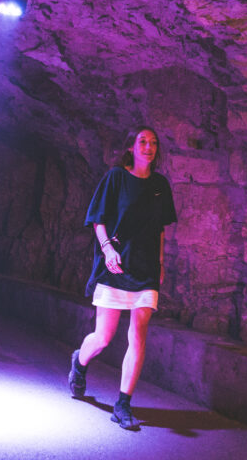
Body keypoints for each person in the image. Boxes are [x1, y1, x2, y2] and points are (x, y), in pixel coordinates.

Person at [68, 126, 177, 430]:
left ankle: (123, 404)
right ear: (131, 147)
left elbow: (160, 229)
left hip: (145, 269)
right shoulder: (116, 177)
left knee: (138, 332)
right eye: (143, 141)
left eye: (153, 143)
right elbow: (98, 219)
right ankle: (79, 361)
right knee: (104, 337)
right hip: (116, 265)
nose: (149, 147)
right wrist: (107, 250)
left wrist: (160, 263)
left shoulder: (160, 185)